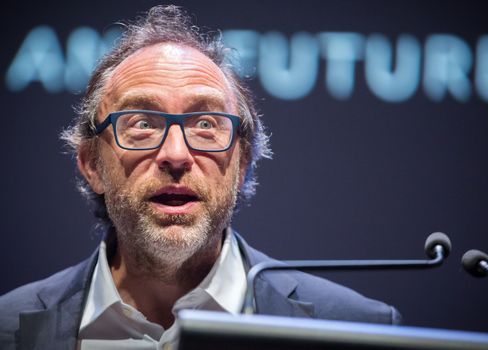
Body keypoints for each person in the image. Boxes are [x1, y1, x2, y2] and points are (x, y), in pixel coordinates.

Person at [0, 5, 400, 349]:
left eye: (206, 124)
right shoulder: (7, 328)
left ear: (241, 164)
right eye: (141, 123)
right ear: (91, 164)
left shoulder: (358, 329)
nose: (176, 155)